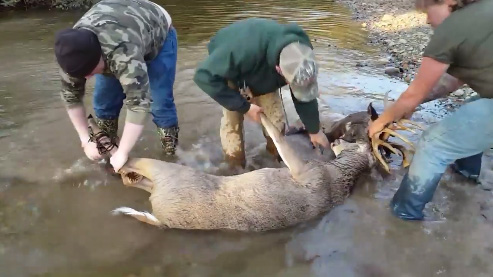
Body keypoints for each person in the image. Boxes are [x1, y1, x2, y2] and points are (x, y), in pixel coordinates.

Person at [368, 0, 493, 220]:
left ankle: (403, 214)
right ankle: (466, 176)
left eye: (427, 11)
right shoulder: (483, 10)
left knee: (433, 145)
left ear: (449, 2)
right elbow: (452, 81)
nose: (426, 20)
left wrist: (379, 124)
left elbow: (413, 93)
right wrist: (409, 105)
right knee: (473, 107)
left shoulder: (450, 29)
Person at [54, 0, 179, 172]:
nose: (88, 77)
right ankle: (107, 151)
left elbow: (138, 104)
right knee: (104, 103)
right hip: (120, 27)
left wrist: (123, 152)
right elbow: (71, 96)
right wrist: (85, 139)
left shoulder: (123, 53)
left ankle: (170, 154)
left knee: (159, 103)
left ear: (101, 57)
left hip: (156, 31)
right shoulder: (70, 52)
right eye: (83, 75)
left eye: (90, 71)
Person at [193, 18, 329, 168]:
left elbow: (304, 93)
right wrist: (244, 107)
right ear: (279, 69)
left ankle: (274, 159)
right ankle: (234, 166)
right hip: (232, 66)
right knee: (233, 123)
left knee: (276, 122)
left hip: (263, 66)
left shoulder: (302, 51)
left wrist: (314, 129)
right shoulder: (239, 53)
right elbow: (202, 76)